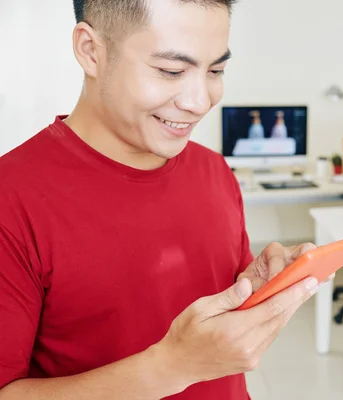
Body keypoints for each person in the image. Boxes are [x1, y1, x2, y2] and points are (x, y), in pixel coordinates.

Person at [0, 1, 323, 399]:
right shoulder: (11, 199)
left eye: (216, 71)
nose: (200, 101)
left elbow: (213, 301)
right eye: (171, 71)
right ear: (90, 51)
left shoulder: (214, 170)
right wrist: (172, 367)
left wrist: (257, 287)